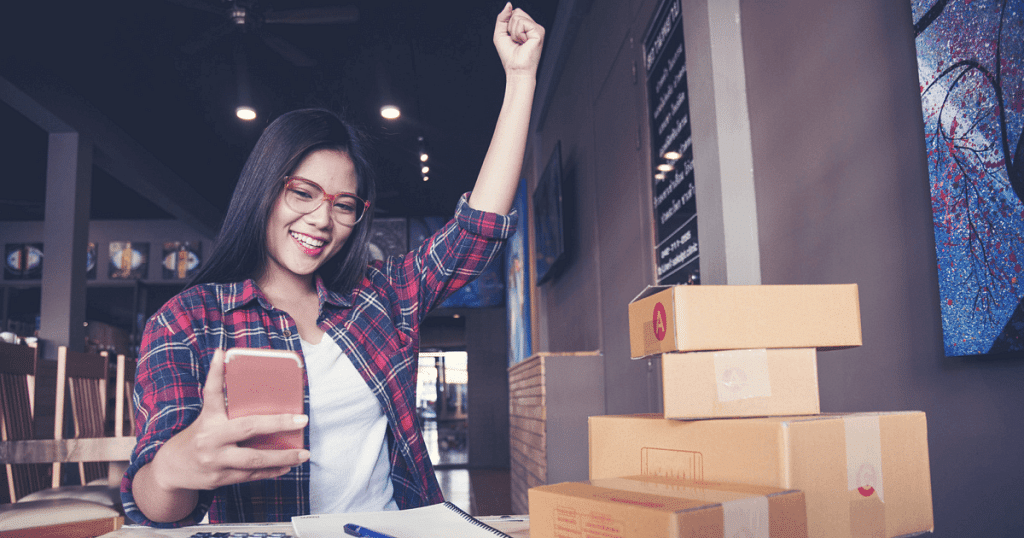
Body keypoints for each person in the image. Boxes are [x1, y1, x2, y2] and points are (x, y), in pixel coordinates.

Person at [120, 3, 544, 526]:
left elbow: (476, 230)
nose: (322, 219)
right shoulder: (188, 321)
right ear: (264, 191)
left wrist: (520, 78)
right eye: (303, 192)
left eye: (344, 204)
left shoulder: (381, 296)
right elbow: (156, 510)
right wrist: (172, 468)